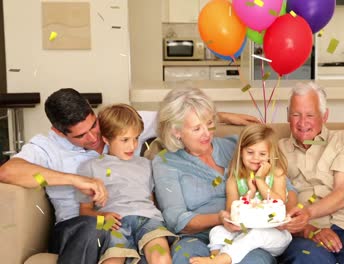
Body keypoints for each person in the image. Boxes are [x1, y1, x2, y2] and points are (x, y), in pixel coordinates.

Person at [0, 88, 259, 264]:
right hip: (82, 224)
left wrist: (221, 117)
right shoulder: (46, 147)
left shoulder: (117, 125)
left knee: (151, 238)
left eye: (93, 127)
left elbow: (174, 118)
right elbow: (8, 171)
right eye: (80, 136)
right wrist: (75, 180)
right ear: (58, 132)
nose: (93, 139)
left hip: (136, 218)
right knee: (96, 228)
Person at [153, 87, 277, 264]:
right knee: (187, 259)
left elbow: (282, 182)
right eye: (197, 129)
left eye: (209, 124)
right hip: (197, 238)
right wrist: (219, 218)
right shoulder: (166, 161)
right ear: (176, 131)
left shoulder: (235, 146)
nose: (207, 134)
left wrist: (296, 211)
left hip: (246, 235)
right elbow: (175, 218)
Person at [278, 82, 344, 264]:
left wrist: (306, 213)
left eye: (310, 115)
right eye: (295, 114)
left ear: (325, 116)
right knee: (306, 259)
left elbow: (343, 195)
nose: (302, 122)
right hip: (305, 234)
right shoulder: (277, 150)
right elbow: (275, 203)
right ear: (287, 115)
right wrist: (307, 228)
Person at [77, 104, 176, 264]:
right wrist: (103, 217)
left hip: (148, 219)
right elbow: (85, 211)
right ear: (106, 139)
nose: (133, 146)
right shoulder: (90, 167)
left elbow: (150, 201)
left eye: (136, 138)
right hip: (115, 223)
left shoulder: (146, 164)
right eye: (124, 140)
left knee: (160, 255)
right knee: (113, 258)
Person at [190, 124, 292, 264]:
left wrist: (260, 180)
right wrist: (250, 193)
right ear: (241, 152)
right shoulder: (234, 179)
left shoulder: (277, 174)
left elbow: (279, 204)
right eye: (250, 152)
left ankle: (223, 259)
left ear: (271, 155)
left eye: (262, 154)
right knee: (217, 231)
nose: (255, 158)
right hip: (243, 231)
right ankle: (216, 254)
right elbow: (232, 211)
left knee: (255, 234)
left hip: (274, 235)